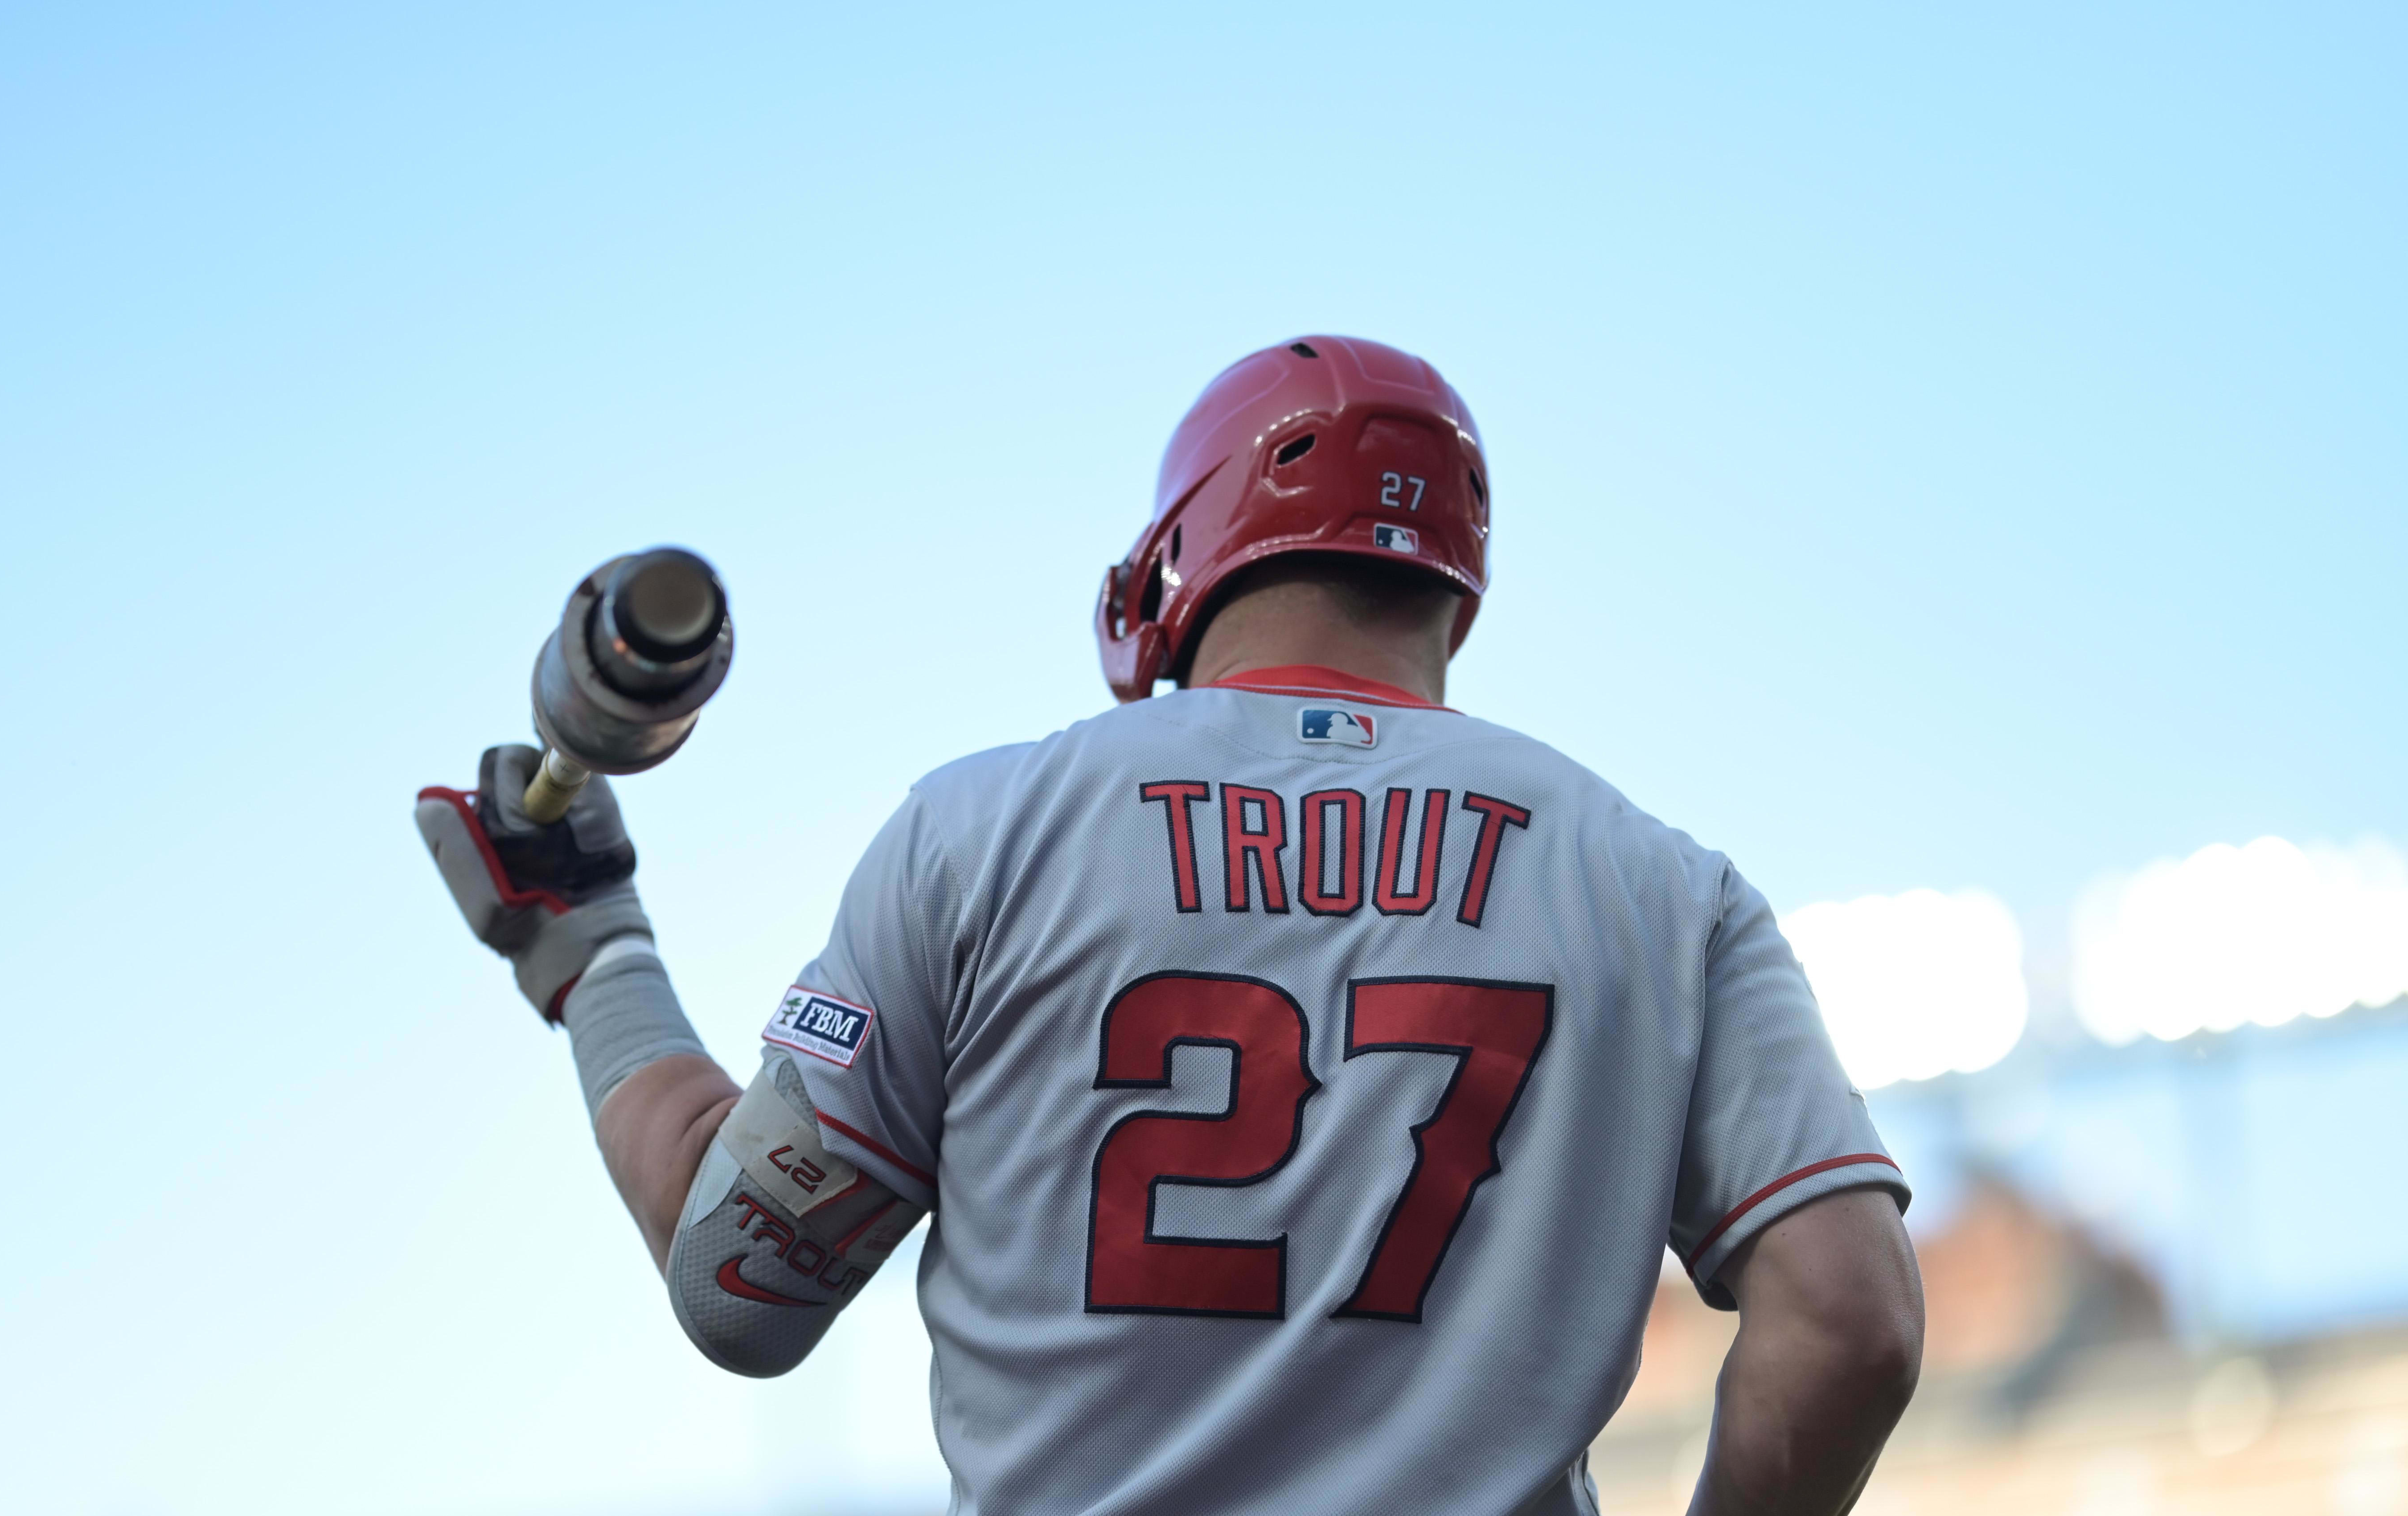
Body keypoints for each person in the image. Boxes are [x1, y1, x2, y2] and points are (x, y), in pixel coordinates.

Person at [417, 336, 1924, 1516]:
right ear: (1452, 597)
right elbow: (1852, 1321)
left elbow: (734, 1274)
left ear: (1178, 568)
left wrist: (593, 944)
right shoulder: (1662, 882)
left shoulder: (985, 829)